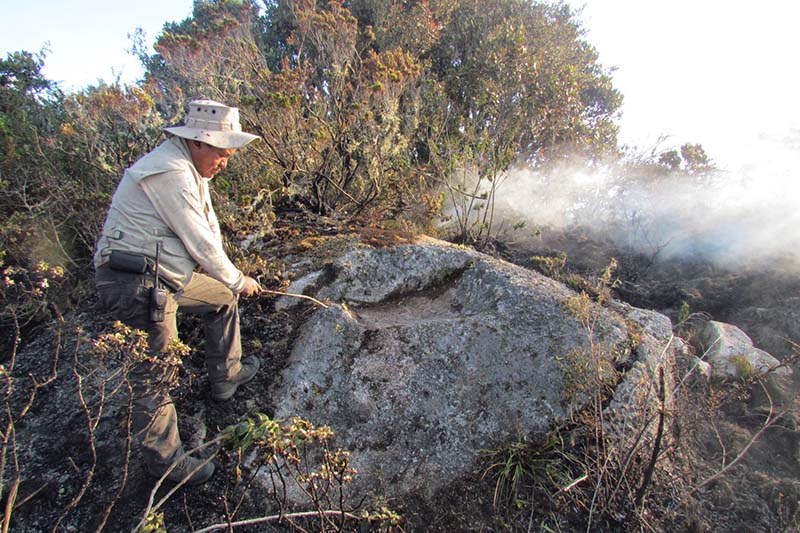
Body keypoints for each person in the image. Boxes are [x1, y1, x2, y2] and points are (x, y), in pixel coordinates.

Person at [94, 100, 263, 485]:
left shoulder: (189, 170)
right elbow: (200, 241)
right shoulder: (171, 172)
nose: (225, 161)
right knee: (155, 376)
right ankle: (166, 464)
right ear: (198, 143)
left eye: (229, 154)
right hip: (137, 284)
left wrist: (230, 284)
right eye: (221, 152)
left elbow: (208, 236)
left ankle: (227, 375)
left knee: (221, 298)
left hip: (163, 275)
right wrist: (240, 279)